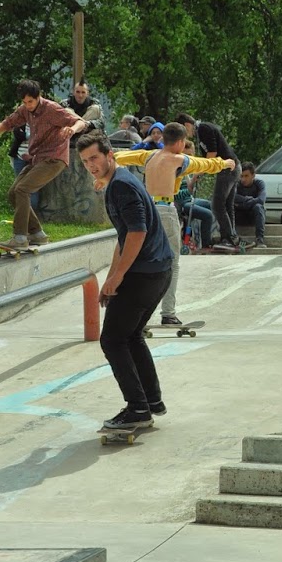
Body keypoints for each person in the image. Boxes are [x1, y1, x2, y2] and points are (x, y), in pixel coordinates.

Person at [76, 131, 174, 434]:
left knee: (113, 340)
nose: (91, 165)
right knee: (130, 336)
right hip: (157, 270)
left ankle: (137, 409)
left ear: (109, 155)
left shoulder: (120, 187)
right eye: (84, 161)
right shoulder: (120, 182)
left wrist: (118, 276)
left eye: (94, 158)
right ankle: (151, 401)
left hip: (144, 274)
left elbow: (137, 233)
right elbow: (124, 236)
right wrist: (110, 280)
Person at [115, 124, 235, 325]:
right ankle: (168, 313)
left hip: (145, 211)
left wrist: (104, 170)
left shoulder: (149, 156)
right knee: (172, 264)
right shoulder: (179, 159)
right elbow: (205, 164)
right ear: (180, 142)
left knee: (140, 263)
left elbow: (121, 157)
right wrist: (226, 163)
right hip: (165, 212)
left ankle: (134, 315)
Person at [0, 79, 87, 250]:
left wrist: (72, 129)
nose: (28, 105)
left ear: (38, 97)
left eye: (31, 101)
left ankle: (20, 238)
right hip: (37, 158)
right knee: (14, 193)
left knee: (23, 189)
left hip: (54, 158)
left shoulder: (52, 109)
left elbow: (80, 121)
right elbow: (8, 123)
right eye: (24, 102)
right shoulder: (24, 110)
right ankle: (37, 234)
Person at [176, 113, 242, 250]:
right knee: (226, 205)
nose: (185, 136)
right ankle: (231, 236)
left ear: (186, 125)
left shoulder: (203, 128)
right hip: (230, 167)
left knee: (217, 204)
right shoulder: (202, 132)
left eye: (183, 132)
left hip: (228, 168)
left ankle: (229, 237)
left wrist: (198, 174)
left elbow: (211, 154)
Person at [234, 163, 267, 247]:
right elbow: (233, 197)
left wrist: (243, 203)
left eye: (246, 176)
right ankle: (232, 237)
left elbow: (261, 200)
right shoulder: (237, 184)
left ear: (253, 175)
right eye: (241, 176)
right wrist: (248, 199)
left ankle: (260, 239)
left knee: (258, 207)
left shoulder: (259, 184)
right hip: (239, 216)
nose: (243, 179)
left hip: (253, 217)